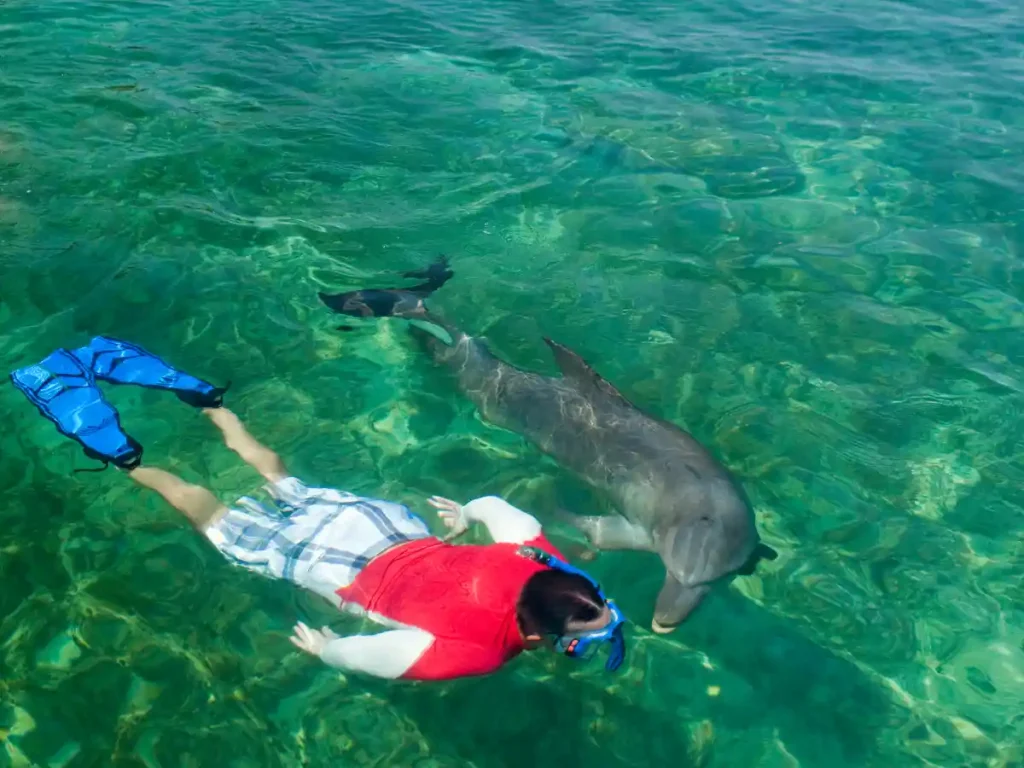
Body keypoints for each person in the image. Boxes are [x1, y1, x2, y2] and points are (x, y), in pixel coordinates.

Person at [129, 406, 628, 681]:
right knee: (213, 518)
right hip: (334, 569)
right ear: (538, 639)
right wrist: (328, 651)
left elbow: (495, 505)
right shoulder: (479, 653)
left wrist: (463, 516)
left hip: (378, 525)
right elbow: (368, 656)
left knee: (288, 486)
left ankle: (222, 415)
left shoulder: (542, 558)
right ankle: (131, 462)